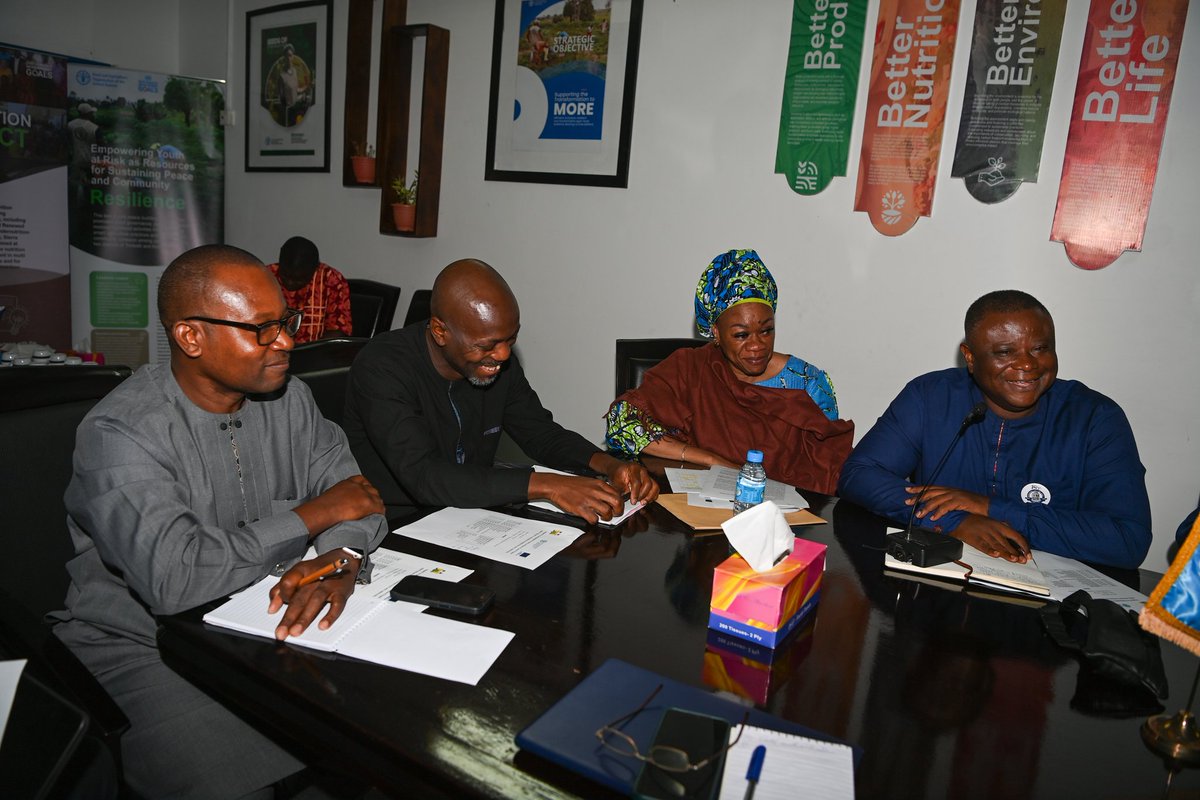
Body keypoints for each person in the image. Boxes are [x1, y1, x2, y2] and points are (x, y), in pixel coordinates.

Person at [51, 244, 387, 797]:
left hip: (263, 627)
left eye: (286, 321)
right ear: (191, 337)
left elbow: (360, 499)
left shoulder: (290, 400)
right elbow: (175, 578)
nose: (286, 341)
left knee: (373, 751)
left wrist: (343, 556)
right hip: (142, 645)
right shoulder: (120, 432)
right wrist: (313, 516)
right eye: (262, 329)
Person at [837, 289, 1151, 569]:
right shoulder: (931, 396)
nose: (1028, 364)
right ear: (970, 358)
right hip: (940, 590)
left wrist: (991, 508)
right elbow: (859, 475)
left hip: (1049, 605)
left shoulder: (1096, 417)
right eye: (1005, 352)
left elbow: (1128, 540)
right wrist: (955, 521)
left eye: (1040, 348)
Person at [343, 258, 659, 522]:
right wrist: (548, 485)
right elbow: (426, 476)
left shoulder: (495, 363)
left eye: (511, 339)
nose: (504, 355)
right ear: (440, 331)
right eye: (487, 344)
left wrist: (610, 465)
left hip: (472, 515)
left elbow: (541, 433)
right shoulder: (382, 367)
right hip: (392, 525)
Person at [604, 249, 854, 494]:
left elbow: (829, 472)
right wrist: (715, 461)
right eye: (741, 335)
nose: (757, 346)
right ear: (716, 333)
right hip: (701, 506)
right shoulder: (691, 369)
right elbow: (622, 423)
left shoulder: (808, 382)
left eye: (766, 330)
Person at [267, 235, 353, 343]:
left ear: (315, 268)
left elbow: (338, 332)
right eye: (284, 275)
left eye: (299, 279)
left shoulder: (331, 280)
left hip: (314, 352)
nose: (290, 283)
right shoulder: (266, 277)